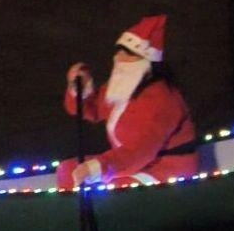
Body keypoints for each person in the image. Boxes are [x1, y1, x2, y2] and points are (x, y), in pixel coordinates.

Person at [57, 15, 198, 189]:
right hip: (130, 164)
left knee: (92, 185)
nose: (118, 59)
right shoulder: (125, 87)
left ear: (145, 62)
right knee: (67, 171)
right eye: (118, 52)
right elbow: (90, 110)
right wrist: (80, 89)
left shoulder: (161, 98)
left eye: (127, 54)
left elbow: (140, 150)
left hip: (162, 171)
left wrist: (99, 167)